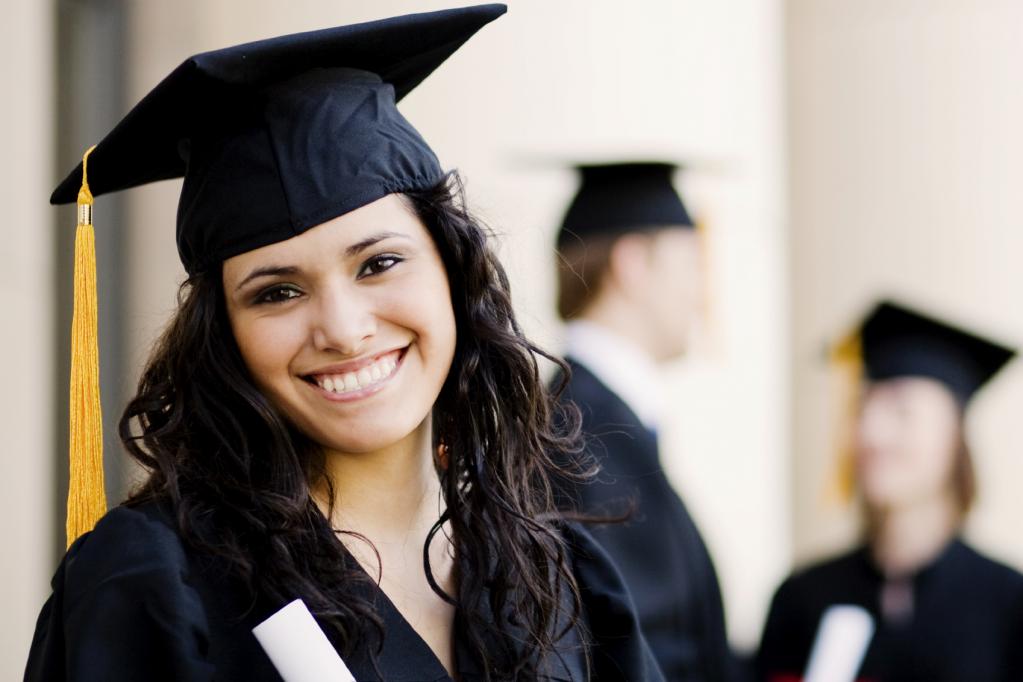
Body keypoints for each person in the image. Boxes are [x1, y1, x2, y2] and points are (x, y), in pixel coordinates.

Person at [25, 6, 666, 681]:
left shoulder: (555, 574)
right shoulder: (155, 586)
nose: (342, 328)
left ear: (452, 273)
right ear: (223, 333)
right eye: (277, 291)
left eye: (379, 264)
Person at [757, 300, 1023, 682]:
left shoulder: (1007, 603)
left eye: (902, 411)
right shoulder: (802, 599)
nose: (872, 433)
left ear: (954, 435)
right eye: (863, 409)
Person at [552, 162, 733, 682]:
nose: (702, 295)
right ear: (632, 264)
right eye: (691, 265)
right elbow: (644, 645)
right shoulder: (583, 436)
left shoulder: (595, 419)